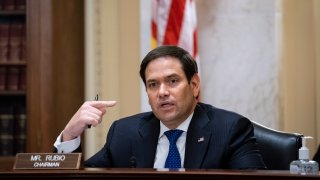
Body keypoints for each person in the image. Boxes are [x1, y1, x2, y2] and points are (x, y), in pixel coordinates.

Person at [54, 45, 266, 169]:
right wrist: (70, 136)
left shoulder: (230, 130)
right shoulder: (124, 133)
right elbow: (81, 177)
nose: (162, 92)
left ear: (194, 85)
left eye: (172, 81)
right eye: (153, 84)